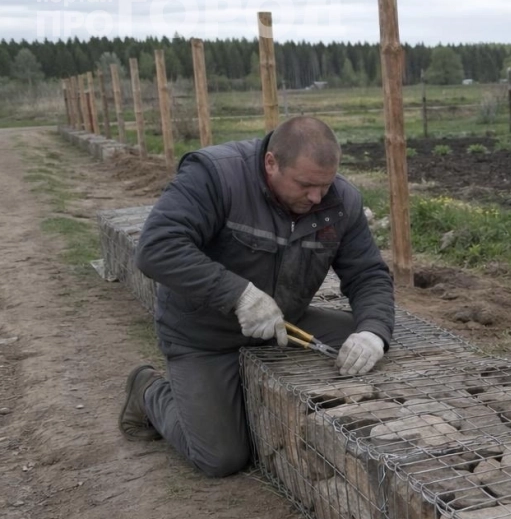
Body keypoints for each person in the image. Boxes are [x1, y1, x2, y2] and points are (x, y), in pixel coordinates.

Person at [118, 116, 395, 477]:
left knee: (366, 346)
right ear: (271, 163)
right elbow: (157, 248)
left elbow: (368, 273)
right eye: (306, 185)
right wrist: (239, 295)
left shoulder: (340, 201)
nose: (316, 198)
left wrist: (373, 331)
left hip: (283, 321)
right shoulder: (215, 177)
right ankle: (149, 390)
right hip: (204, 333)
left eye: (324, 186)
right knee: (221, 458)